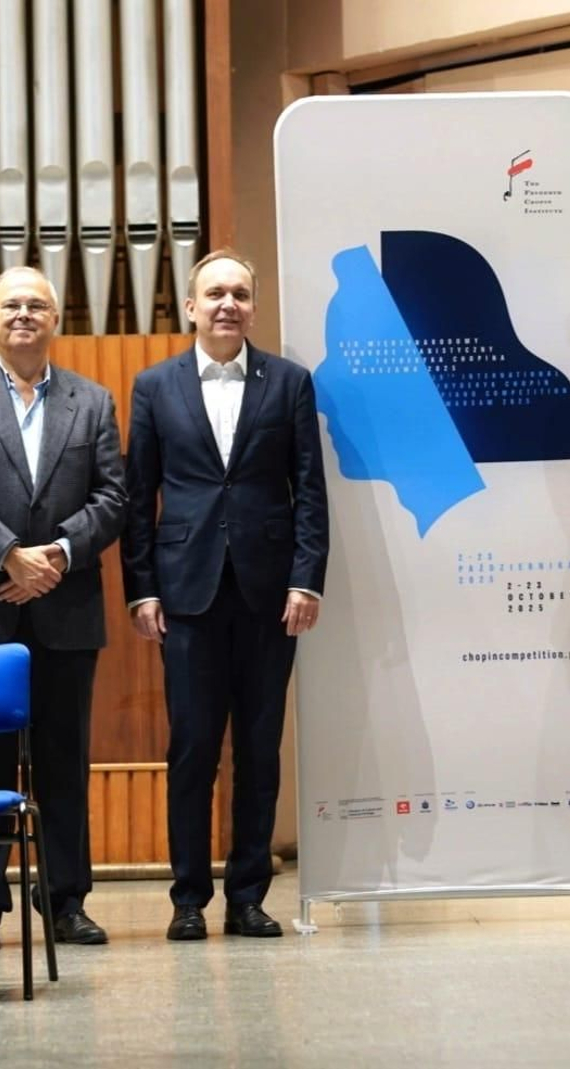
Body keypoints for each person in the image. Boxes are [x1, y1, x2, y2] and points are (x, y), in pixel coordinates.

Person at [0, 266, 127, 951]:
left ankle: (66, 900)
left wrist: (58, 555)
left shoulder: (93, 402)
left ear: (56, 319)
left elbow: (114, 498)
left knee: (65, 758)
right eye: (11, 304)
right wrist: (10, 555)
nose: (24, 315)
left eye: (37, 305)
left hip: (65, 603)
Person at [122, 248, 328, 941]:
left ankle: (247, 895)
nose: (226, 304)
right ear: (190, 306)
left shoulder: (290, 383)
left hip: (272, 596)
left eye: (239, 293)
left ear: (253, 306)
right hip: (186, 595)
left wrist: (307, 577)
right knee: (193, 748)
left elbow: (310, 491)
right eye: (214, 293)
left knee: (259, 751)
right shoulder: (154, 386)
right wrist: (141, 589)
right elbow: (136, 497)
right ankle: (187, 898)